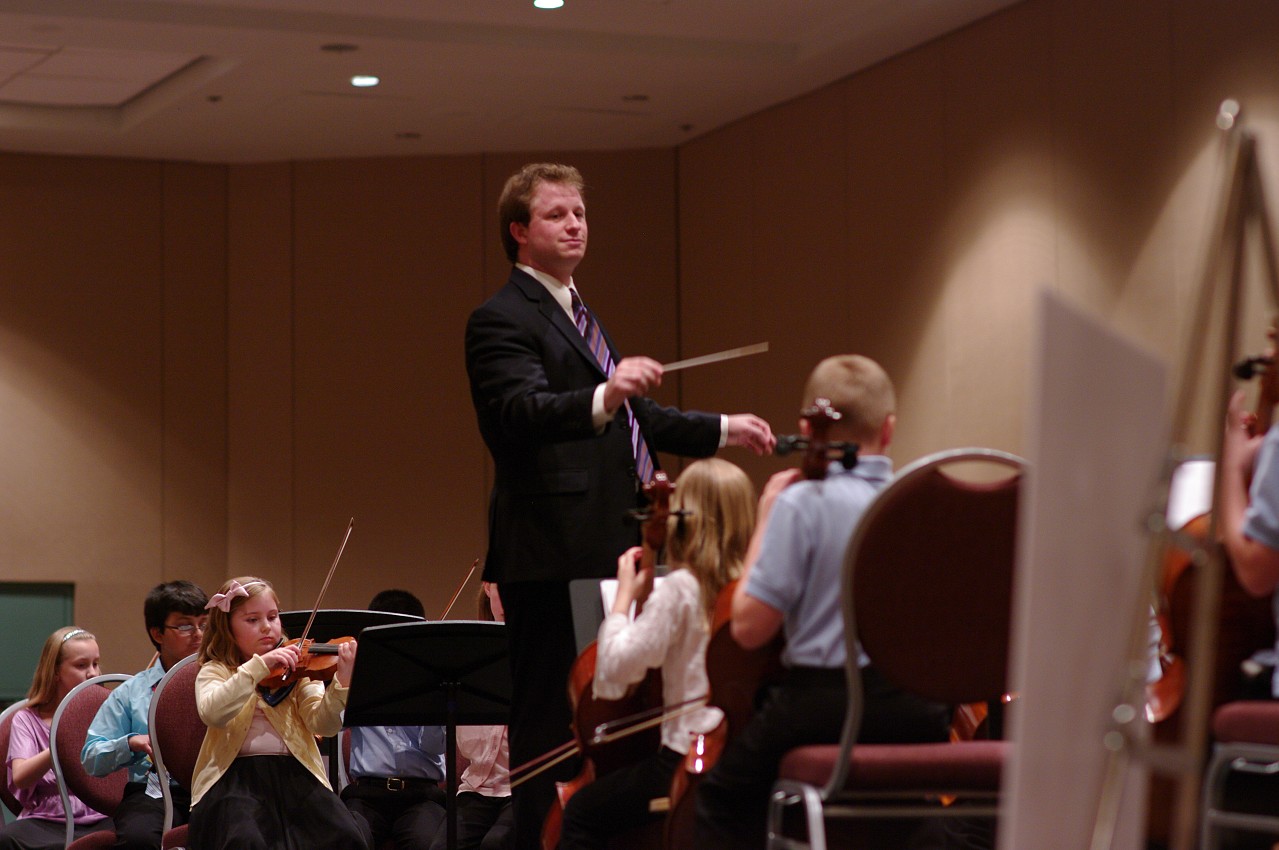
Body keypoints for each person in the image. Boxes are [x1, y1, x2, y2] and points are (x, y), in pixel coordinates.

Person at [464, 161, 775, 849]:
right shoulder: (499, 319)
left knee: (611, 710)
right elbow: (520, 413)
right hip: (550, 551)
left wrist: (724, 429)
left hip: (607, 546)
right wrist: (608, 392)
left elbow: (636, 419)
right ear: (519, 231)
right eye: (555, 214)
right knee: (549, 722)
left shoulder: (577, 312)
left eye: (578, 213)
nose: (574, 224)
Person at [694, 355, 953, 850]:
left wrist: (767, 514)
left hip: (823, 706)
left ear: (807, 428)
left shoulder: (801, 503)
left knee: (721, 800)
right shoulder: (922, 502)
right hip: (917, 713)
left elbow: (749, 630)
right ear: (890, 429)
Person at [559, 457, 755, 849]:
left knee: (580, 812)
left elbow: (615, 675)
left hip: (685, 756)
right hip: (741, 756)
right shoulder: (754, 588)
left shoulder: (682, 588)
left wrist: (625, 600)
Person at [187, 576, 367, 850]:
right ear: (228, 627)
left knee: (344, 836)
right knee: (246, 840)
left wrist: (341, 684)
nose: (267, 628)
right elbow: (213, 713)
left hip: (296, 774)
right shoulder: (217, 670)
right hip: (234, 779)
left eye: (272, 617)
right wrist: (258, 667)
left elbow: (324, 724)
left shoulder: (297, 666)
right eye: (252, 620)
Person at [81, 580, 208, 850]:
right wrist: (130, 744)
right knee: (139, 839)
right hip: (154, 793)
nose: (198, 634)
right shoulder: (130, 693)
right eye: (185, 625)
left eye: (205, 624)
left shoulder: (228, 681)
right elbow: (91, 757)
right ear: (158, 634)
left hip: (212, 789)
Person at [343, 589, 445, 850]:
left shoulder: (430, 678)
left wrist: (431, 698)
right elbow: (330, 724)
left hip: (421, 795)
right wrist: (343, 683)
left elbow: (435, 747)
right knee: (348, 840)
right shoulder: (358, 677)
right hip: (366, 794)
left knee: (426, 843)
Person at [1, 626, 113, 850]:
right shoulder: (26, 719)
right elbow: (21, 777)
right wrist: (62, 742)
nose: (92, 673)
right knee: (6, 839)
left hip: (102, 814)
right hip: (47, 819)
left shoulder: (108, 711)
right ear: (55, 671)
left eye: (95, 663)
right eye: (81, 665)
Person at [429, 581, 512, 850]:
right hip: (476, 790)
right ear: (488, 587)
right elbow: (466, 748)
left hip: (521, 788)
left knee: (495, 845)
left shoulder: (537, 653)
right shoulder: (466, 655)